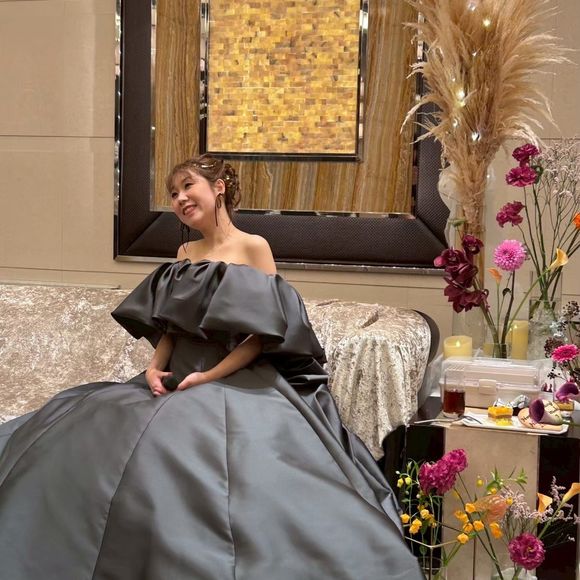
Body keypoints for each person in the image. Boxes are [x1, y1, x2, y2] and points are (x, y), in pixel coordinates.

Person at [0, 155, 423, 579]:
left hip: (235, 377)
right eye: (173, 193)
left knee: (179, 438)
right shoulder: (185, 252)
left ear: (218, 187)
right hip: (175, 376)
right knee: (92, 423)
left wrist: (209, 376)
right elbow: (172, 326)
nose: (180, 198)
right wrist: (154, 367)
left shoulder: (253, 247)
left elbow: (262, 335)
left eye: (188, 186)